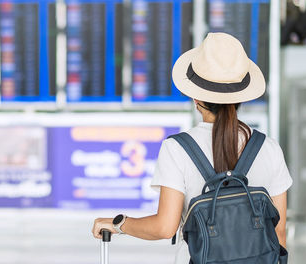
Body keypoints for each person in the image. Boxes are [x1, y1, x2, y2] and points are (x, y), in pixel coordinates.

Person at [91, 33, 292, 263]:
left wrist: (119, 224)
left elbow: (165, 227)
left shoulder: (176, 149)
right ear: (241, 96)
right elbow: (279, 232)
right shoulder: (269, 148)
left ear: (196, 98)